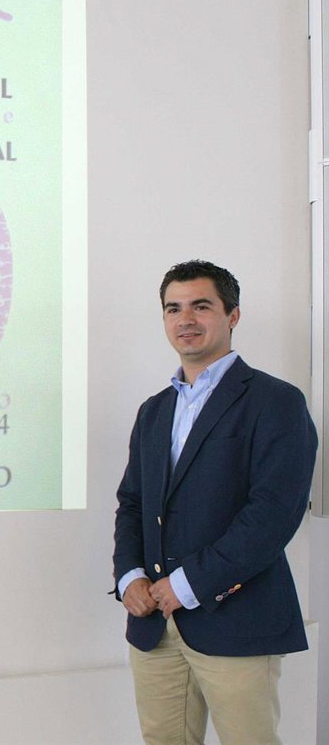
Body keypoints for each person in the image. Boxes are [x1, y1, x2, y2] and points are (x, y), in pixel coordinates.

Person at [112, 260, 317, 745]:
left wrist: (187, 585)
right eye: (173, 309)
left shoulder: (276, 401)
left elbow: (273, 515)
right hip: (153, 623)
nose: (185, 319)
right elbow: (133, 502)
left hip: (236, 619)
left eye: (200, 306)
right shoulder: (153, 410)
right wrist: (129, 575)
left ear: (233, 315)